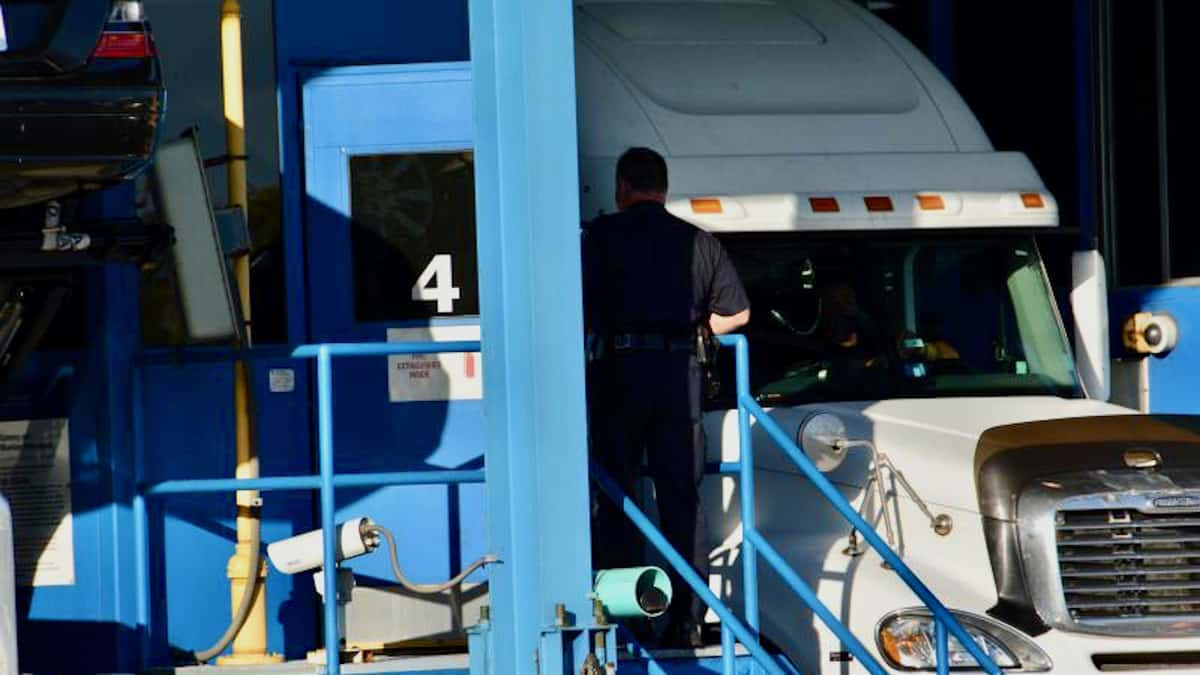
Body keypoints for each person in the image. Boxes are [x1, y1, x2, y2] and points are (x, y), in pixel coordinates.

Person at [582, 147, 750, 648]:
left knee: (618, 496)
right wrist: (699, 328)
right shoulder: (698, 241)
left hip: (619, 375)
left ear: (621, 188)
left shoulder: (601, 236)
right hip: (680, 378)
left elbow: (576, 307)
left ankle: (627, 616)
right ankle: (687, 621)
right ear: (664, 187)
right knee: (682, 499)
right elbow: (737, 316)